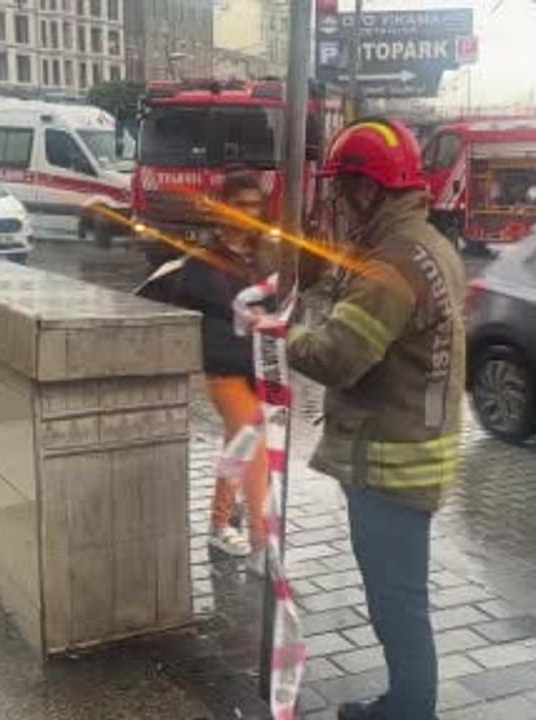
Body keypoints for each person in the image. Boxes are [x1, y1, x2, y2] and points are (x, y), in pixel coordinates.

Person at [285, 118, 465, 720]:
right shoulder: (428, 246)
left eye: (343, 188)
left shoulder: (390, 267)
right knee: (401, 600)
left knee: (397, 604)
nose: (336, 201)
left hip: (390, 461)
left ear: (370, 189)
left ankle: (411, 712)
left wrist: (286, 334)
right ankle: (407, 704)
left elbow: (338, 356)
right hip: (414, 450)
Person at [169, 171, 272, 570]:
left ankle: (219, 522)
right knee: (254, 447)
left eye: (255, 205)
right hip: (226, 371)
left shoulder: (263, 254)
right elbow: (189, 310)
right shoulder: (203, 261)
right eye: (241, 205)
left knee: (238, 448)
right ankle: (264, 547)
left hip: (259, 370)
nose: (249, 213)